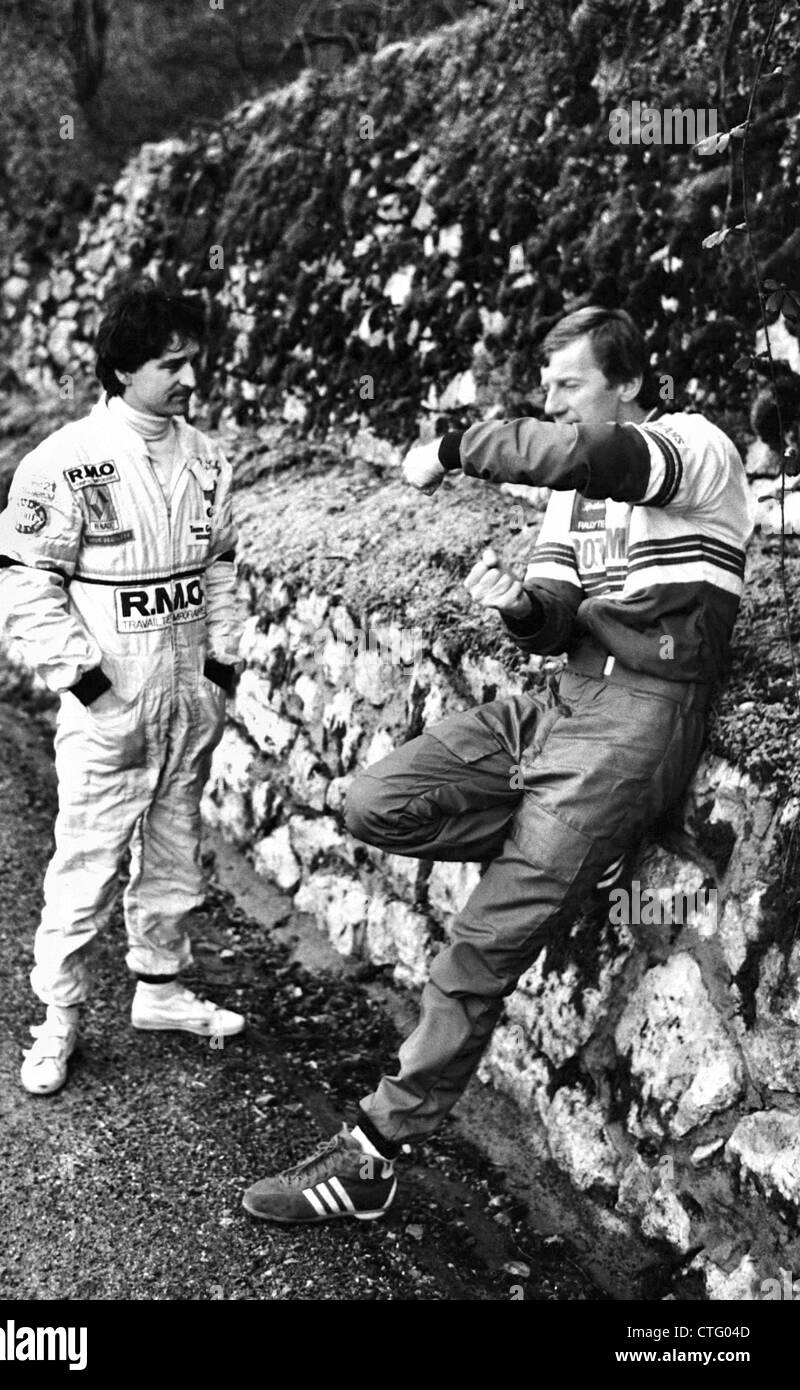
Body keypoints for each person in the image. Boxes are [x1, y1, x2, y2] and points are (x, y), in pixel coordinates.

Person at [242, 305, 756, 1223]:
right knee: (373, 802)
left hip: (638, 720)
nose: (553, 402)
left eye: (570, 384)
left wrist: (453, 446)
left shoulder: (694, 448)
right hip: (557, 702)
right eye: (546, 386)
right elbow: (557, 609)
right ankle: (559, 867)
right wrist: (520, 607)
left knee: (478, 947)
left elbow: (583, 456)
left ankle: (375, 1154)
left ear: (628, 383)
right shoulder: (574, 495)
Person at [0, 281, 247, 1096]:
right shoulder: (66, 462)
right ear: (120, 368)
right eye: (171, 364)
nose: (189, 379)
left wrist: (219, 672)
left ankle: (162, 990)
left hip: (185, 700)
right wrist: (92, 691)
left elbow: (222, 570)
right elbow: (27, 584)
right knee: (88, 865)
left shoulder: (207, 457)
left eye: (192, 361)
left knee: (175, 853)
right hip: (113, 704)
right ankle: (58, 1018)